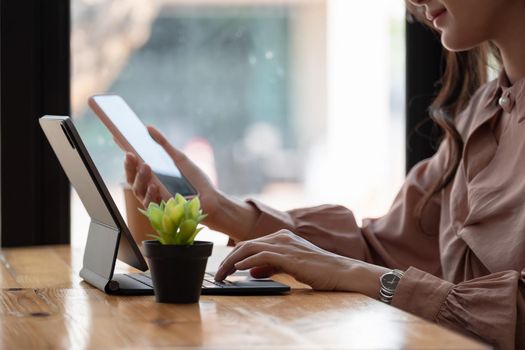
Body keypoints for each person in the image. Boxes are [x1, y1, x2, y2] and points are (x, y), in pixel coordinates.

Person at [123, 0, 525, 348]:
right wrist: (224, 210)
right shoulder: (483, 111)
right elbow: (383, 249)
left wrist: (359, 275)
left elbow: (371, 268)